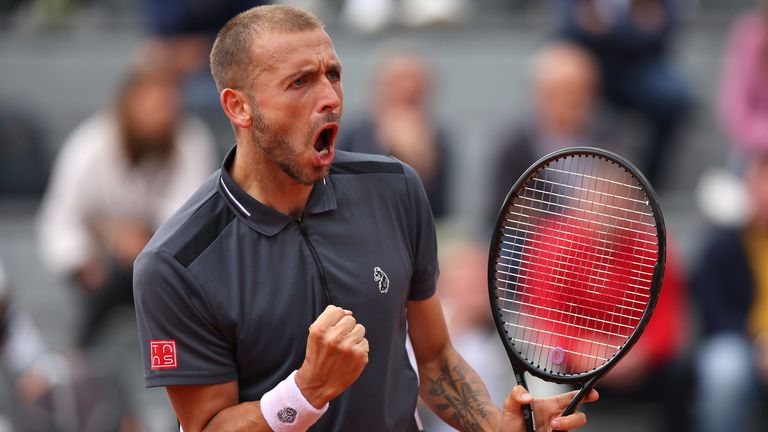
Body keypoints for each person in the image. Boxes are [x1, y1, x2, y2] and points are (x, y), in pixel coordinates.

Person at [132, 5, 598, 432]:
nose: (330, 97)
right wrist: (305, 392)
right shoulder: (175, 262)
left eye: (333, 74)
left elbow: (434, 360)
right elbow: (206, 426)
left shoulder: (395, 188)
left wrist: (497, 428)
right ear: (239, 107)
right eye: (300, 82)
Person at [37, 66, 217, 349]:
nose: (166, 115)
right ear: (129, 106)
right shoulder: (88, 146)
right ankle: (80, 355)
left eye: (171, 105)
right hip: (101, 271)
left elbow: (192, 217)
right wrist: (85, 263)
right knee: (116, 276)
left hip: (172, 270)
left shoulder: (191, 139)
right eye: (155, 105)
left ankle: (79, 352)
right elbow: (60, 220)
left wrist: (144, 236)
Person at [554, 0, 690, 187]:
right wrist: (633, 28)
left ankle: (649, 185)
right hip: (588, 61)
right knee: (557, 80)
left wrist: (605, 28)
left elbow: (664, 30)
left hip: (641, 66)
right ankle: (560, 178)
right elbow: (570, 26)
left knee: (674, 97)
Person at [489, 41, 620, 224]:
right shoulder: (513, 147)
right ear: (540, 94)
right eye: (564, 92)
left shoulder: (611, 139)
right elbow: (502, 215)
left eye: (583, 91)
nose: (575, 100)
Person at [692, 152, 768, 432]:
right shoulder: (722, 242)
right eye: (762, 180)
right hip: (740, 344)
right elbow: (714, 310)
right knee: (725, 370)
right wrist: (759, 342)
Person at [337, 49, 451, 219]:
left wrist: (420, 159)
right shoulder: (352, 136)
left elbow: (438, 210)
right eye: (398, 83)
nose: (408, 90)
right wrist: (383, 149)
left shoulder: (439, 141)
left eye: (417, 86)